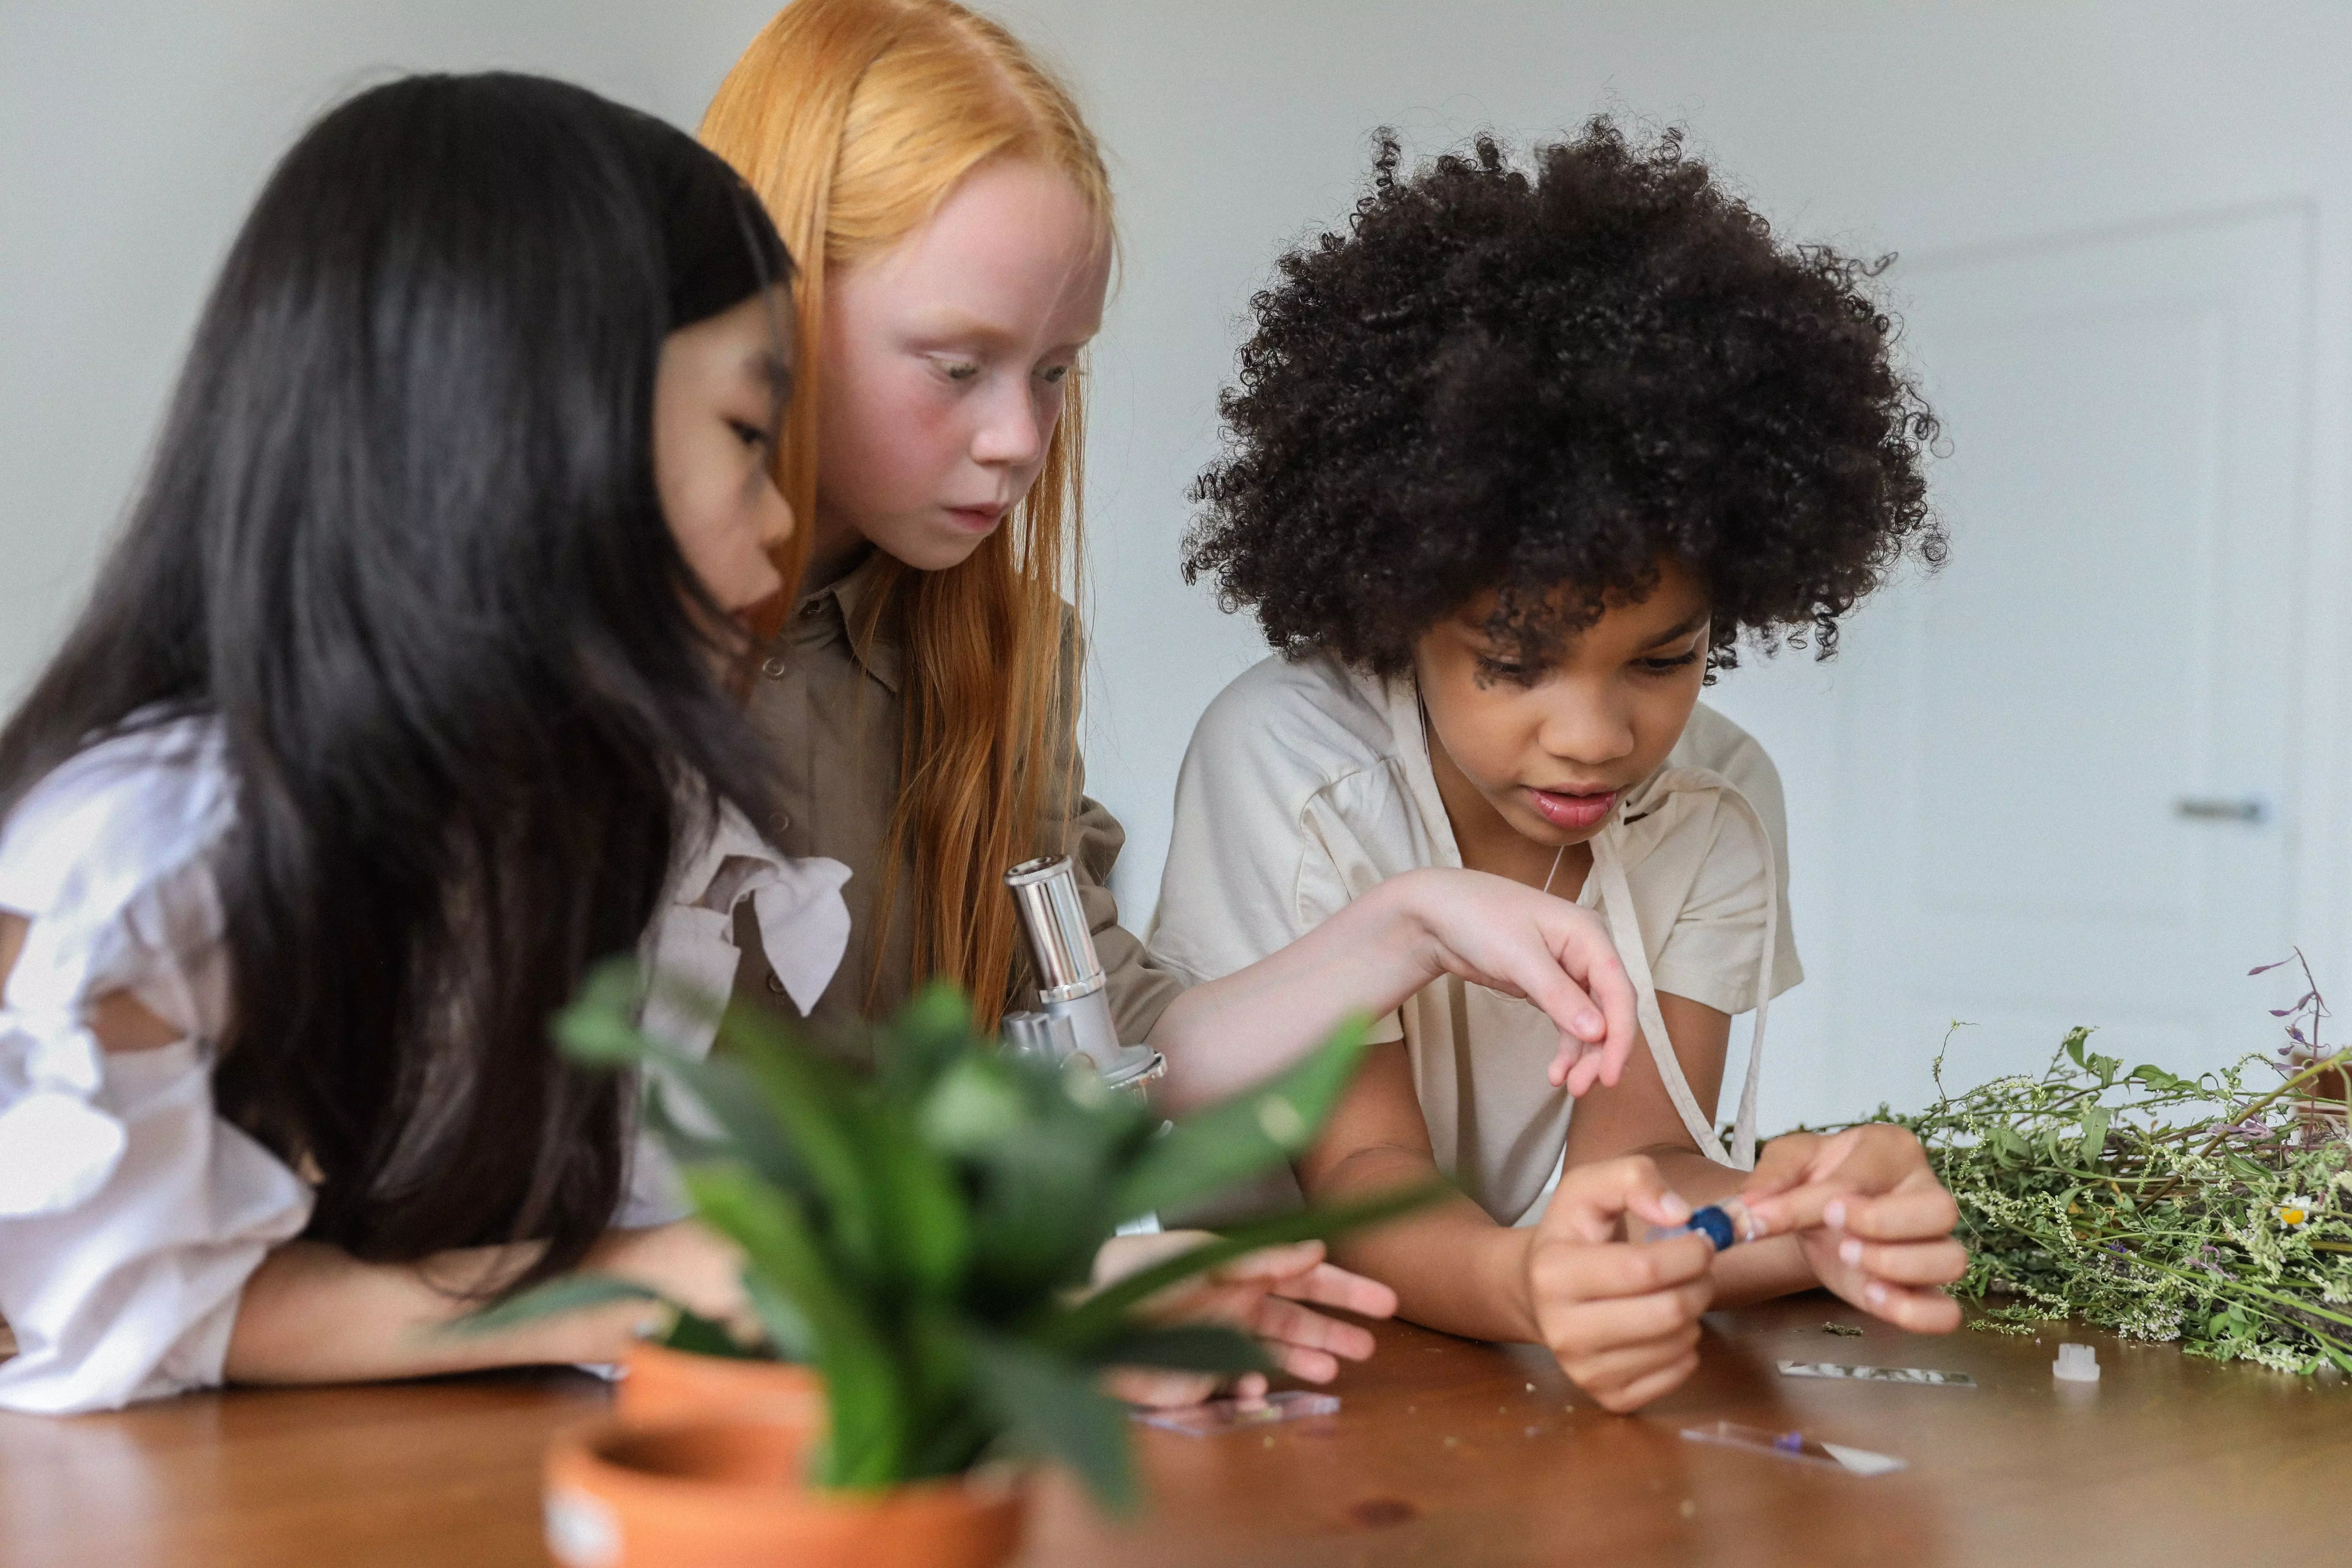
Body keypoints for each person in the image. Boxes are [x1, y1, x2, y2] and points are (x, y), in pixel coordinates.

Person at [0, 74, 1405, 1415]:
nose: (783, 515)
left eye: (1051, 374)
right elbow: (129, 1312)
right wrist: (633, 1291)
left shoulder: (629, 809)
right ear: (538, 439)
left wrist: (1023, 1309)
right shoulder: (144, 861)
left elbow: (700, 1249)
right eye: (749, 433)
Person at [1153, 124, 1970, 1412]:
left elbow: (1642, 1158)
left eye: (1664, 660)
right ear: (1398, 601)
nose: (1596, 738)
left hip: (1500, 1369)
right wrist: (1529, 1284)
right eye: (1517, 661)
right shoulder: (1292, 763)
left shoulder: (1720, 800)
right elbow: (1364, 1170)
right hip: (1275, 1363)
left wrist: (1803, 1215)